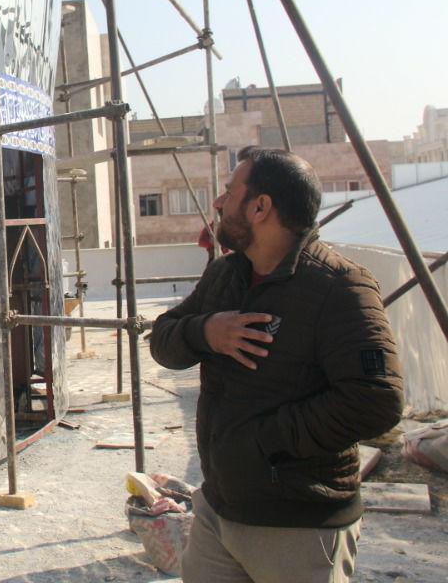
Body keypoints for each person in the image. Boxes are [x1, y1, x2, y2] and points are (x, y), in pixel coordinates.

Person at [149, 147, 404, 583]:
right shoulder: (226, 275)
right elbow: (162, 341)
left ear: (260, 207)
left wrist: (262, 443)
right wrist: (206, 331)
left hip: (298, 526)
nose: (218, 203)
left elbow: (375, 401)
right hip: (218, 511)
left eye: (230, 192)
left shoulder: (341, 288)